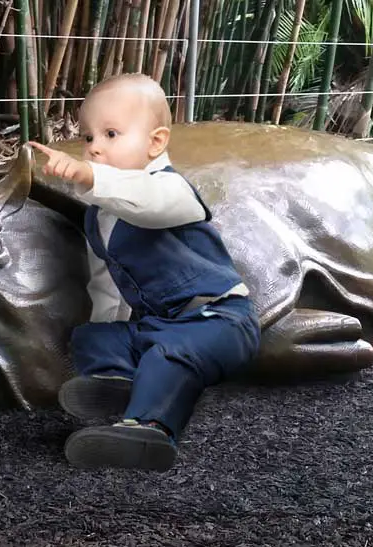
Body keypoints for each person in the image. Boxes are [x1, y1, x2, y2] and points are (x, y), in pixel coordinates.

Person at [28, 73, 260, 472]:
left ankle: (150, 428)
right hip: (158, 324)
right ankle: (117, 384)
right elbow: (107, 286)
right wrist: (109, 330)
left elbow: (148, 207)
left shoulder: (171, 189)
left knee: (166, 356)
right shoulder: (99, 216)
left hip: (219, 322)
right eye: (88, 138)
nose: (94, 148)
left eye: (111, 134)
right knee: (94, 336)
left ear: (156, 142)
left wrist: (89, 177)